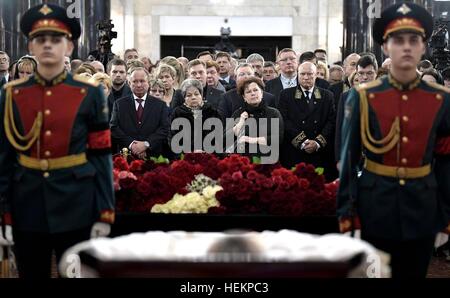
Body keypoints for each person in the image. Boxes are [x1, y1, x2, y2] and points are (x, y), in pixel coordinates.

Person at [0, 3, 115, 278]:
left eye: (56, 39)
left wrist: (104, 211)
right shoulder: (12, 94)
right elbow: (4, 159)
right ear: (31, 46)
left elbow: (101, 156)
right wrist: (3, 214)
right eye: (41, 39)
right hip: (27, 203)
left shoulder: (89, 94)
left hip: (77, 203)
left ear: (70, 47)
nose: (48, 45)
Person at [337, 2, 450, 278]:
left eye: (414, 40)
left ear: (423, 46)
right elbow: (347, 159)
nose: (407, 47)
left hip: (423, 207)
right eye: (398, 40)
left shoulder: (440, 100)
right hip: (375, 205)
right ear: (386, 47)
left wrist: (445, 219)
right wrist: (347, 214)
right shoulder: (362, 97)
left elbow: (446, 163)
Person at [279, 62, 336, 180]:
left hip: (319, 153)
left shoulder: (327, 95)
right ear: (297, 75)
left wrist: (317, 142)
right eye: (302, 74)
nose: (306, 77)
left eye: (309, 74)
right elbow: (284, 121)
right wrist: (303, 142)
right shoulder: (286, 95)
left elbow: (331, 121)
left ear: (316, 75)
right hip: (294, 152)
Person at [110, 67, 170, 157]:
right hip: (126, 156)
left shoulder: (160, 105)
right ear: (129, 83)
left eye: (142, 81)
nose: (138, 85)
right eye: (135, 81)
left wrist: (146, 144)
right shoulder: (119, 104)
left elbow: (164, 128)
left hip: (152, 157)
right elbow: (114, 128)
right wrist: (132, 145)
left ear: (148, 83)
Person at [227, 77, 283, 159]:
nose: (253, 93)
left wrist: (250, 140)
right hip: (243, 161)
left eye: (255, 90)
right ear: (244, 97)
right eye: (248, 92)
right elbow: (225, 139)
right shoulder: (238, 114)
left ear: (262, 93)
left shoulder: (273, 113)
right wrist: (239, 124)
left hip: (267, 160)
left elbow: (278, 139)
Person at [170, 79, 222, 155]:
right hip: (185, 157)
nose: (193, 97)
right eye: (189, 95)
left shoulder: (212, 112)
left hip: (209, 156)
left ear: (201, 95)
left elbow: (219, 138)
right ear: (184, 98)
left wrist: (206, 152)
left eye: (196, 94)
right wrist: (188, 153)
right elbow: (172, 138)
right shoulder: (177, 113)